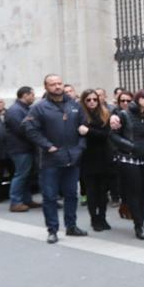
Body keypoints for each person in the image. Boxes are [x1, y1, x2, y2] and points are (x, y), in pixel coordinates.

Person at [24, 73, 88, 244]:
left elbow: (84, 127)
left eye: (59, 83)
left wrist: (80, 148)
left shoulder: (75, 105)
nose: (57, 86)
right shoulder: (39, 107)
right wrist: (47, 146)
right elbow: (30, 129)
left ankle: (71, 226)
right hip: (50, 160)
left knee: (71, 195)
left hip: (72, 158)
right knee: (50, 196)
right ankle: (52, 230)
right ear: (46, 87)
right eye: (52, 84)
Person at [111, 89, 144, 239]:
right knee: (135, 192)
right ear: (138, 99)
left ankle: (140, 221)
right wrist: (131, 146)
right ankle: (139, 225)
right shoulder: (124, 114)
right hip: (129, 158)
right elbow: (113, 135)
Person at [78, 89, 113, 232]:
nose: (92, 102)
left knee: (103, 191)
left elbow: (106, 135)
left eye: (94, 99)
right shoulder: (80, 115)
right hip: (87, 157)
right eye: (88, 100)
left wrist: (89, 132)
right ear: (84, 101)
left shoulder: (104, 113)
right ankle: (94, 218)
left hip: (104, 156)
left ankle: (103, 217)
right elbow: (78, 133)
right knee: (92, 191)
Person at [5, 86, 39, 212]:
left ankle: (26, 200)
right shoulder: (15, 110)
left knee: (26, 175)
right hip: (20, 148)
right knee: (21, 175)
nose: (33, 97)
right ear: (25, 95)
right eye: (32, 95)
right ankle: (15, 202)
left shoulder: (22, 109)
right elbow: (22, 129)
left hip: (26, 147)